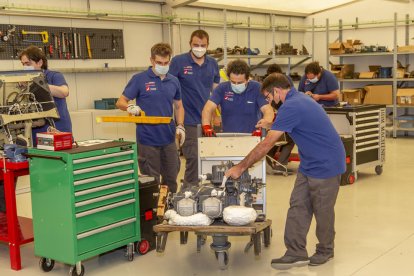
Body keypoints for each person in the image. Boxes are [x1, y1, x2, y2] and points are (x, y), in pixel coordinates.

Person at [226, 73, 345, 269]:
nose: (269, 101)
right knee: (298, 205)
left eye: (269, 97)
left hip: (326, 164)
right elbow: (295, 123)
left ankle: (326, 250)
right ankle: (295, 252)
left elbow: (267, 145)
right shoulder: (297, 101)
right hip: (309, 163)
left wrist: (241, 167)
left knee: (322, 210)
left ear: (277, 91)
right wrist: (271, 124)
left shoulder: (293, 105)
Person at [116, 43, 185, 193]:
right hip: (147, 140)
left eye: (166, 63)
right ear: (152, 61)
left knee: (171, 180)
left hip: (168, 139)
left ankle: (169, 211)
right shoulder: (139, 79)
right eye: (159, 63)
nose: (163, 65)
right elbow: (120, 101)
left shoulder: (174, 81)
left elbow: (178, 106)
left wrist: (180, 125)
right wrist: (129, 107)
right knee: (151, 183)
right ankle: (154, 214)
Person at [169, 30, 220, 186]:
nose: (199, 48)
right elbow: (169, 87)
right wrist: (179, 123)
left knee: (212, 158)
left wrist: (218, 114)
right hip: (188, 120)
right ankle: (188, 193)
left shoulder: (212, 63)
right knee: (194, 159)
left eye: (203, 45)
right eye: (195, 45)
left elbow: (217, 90)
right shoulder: (178, 62)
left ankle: (208, 191)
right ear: (190, 44)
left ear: (208, 45)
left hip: (208, 120)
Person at [201, 59, 273, 135]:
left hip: (253, 136)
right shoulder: (222, 88)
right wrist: (206, 126)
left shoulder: (257, 88)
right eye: (233, 82)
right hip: (228, 138)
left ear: (248, 79)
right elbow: (208, 109)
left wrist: (264, 125)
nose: (236, 85)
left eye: (240, 83)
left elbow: (268, 110)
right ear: (229, 78)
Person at [18, 45, 72, 145]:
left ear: (40, 62)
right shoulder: (24, 81)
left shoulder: (54, 75)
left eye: (28, 63)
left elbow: (64, 92)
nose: (25, 67)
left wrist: (38, 84)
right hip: (36, 130)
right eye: (23, 64)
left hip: (58, 128)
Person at [265, 64, 295, 173]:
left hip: (283, 112)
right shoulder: (272, 83)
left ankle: (273, 163)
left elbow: (288, 99)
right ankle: (278, 164)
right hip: (274, 113)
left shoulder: (286, 81)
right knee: (283, 138)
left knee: (283, 137)